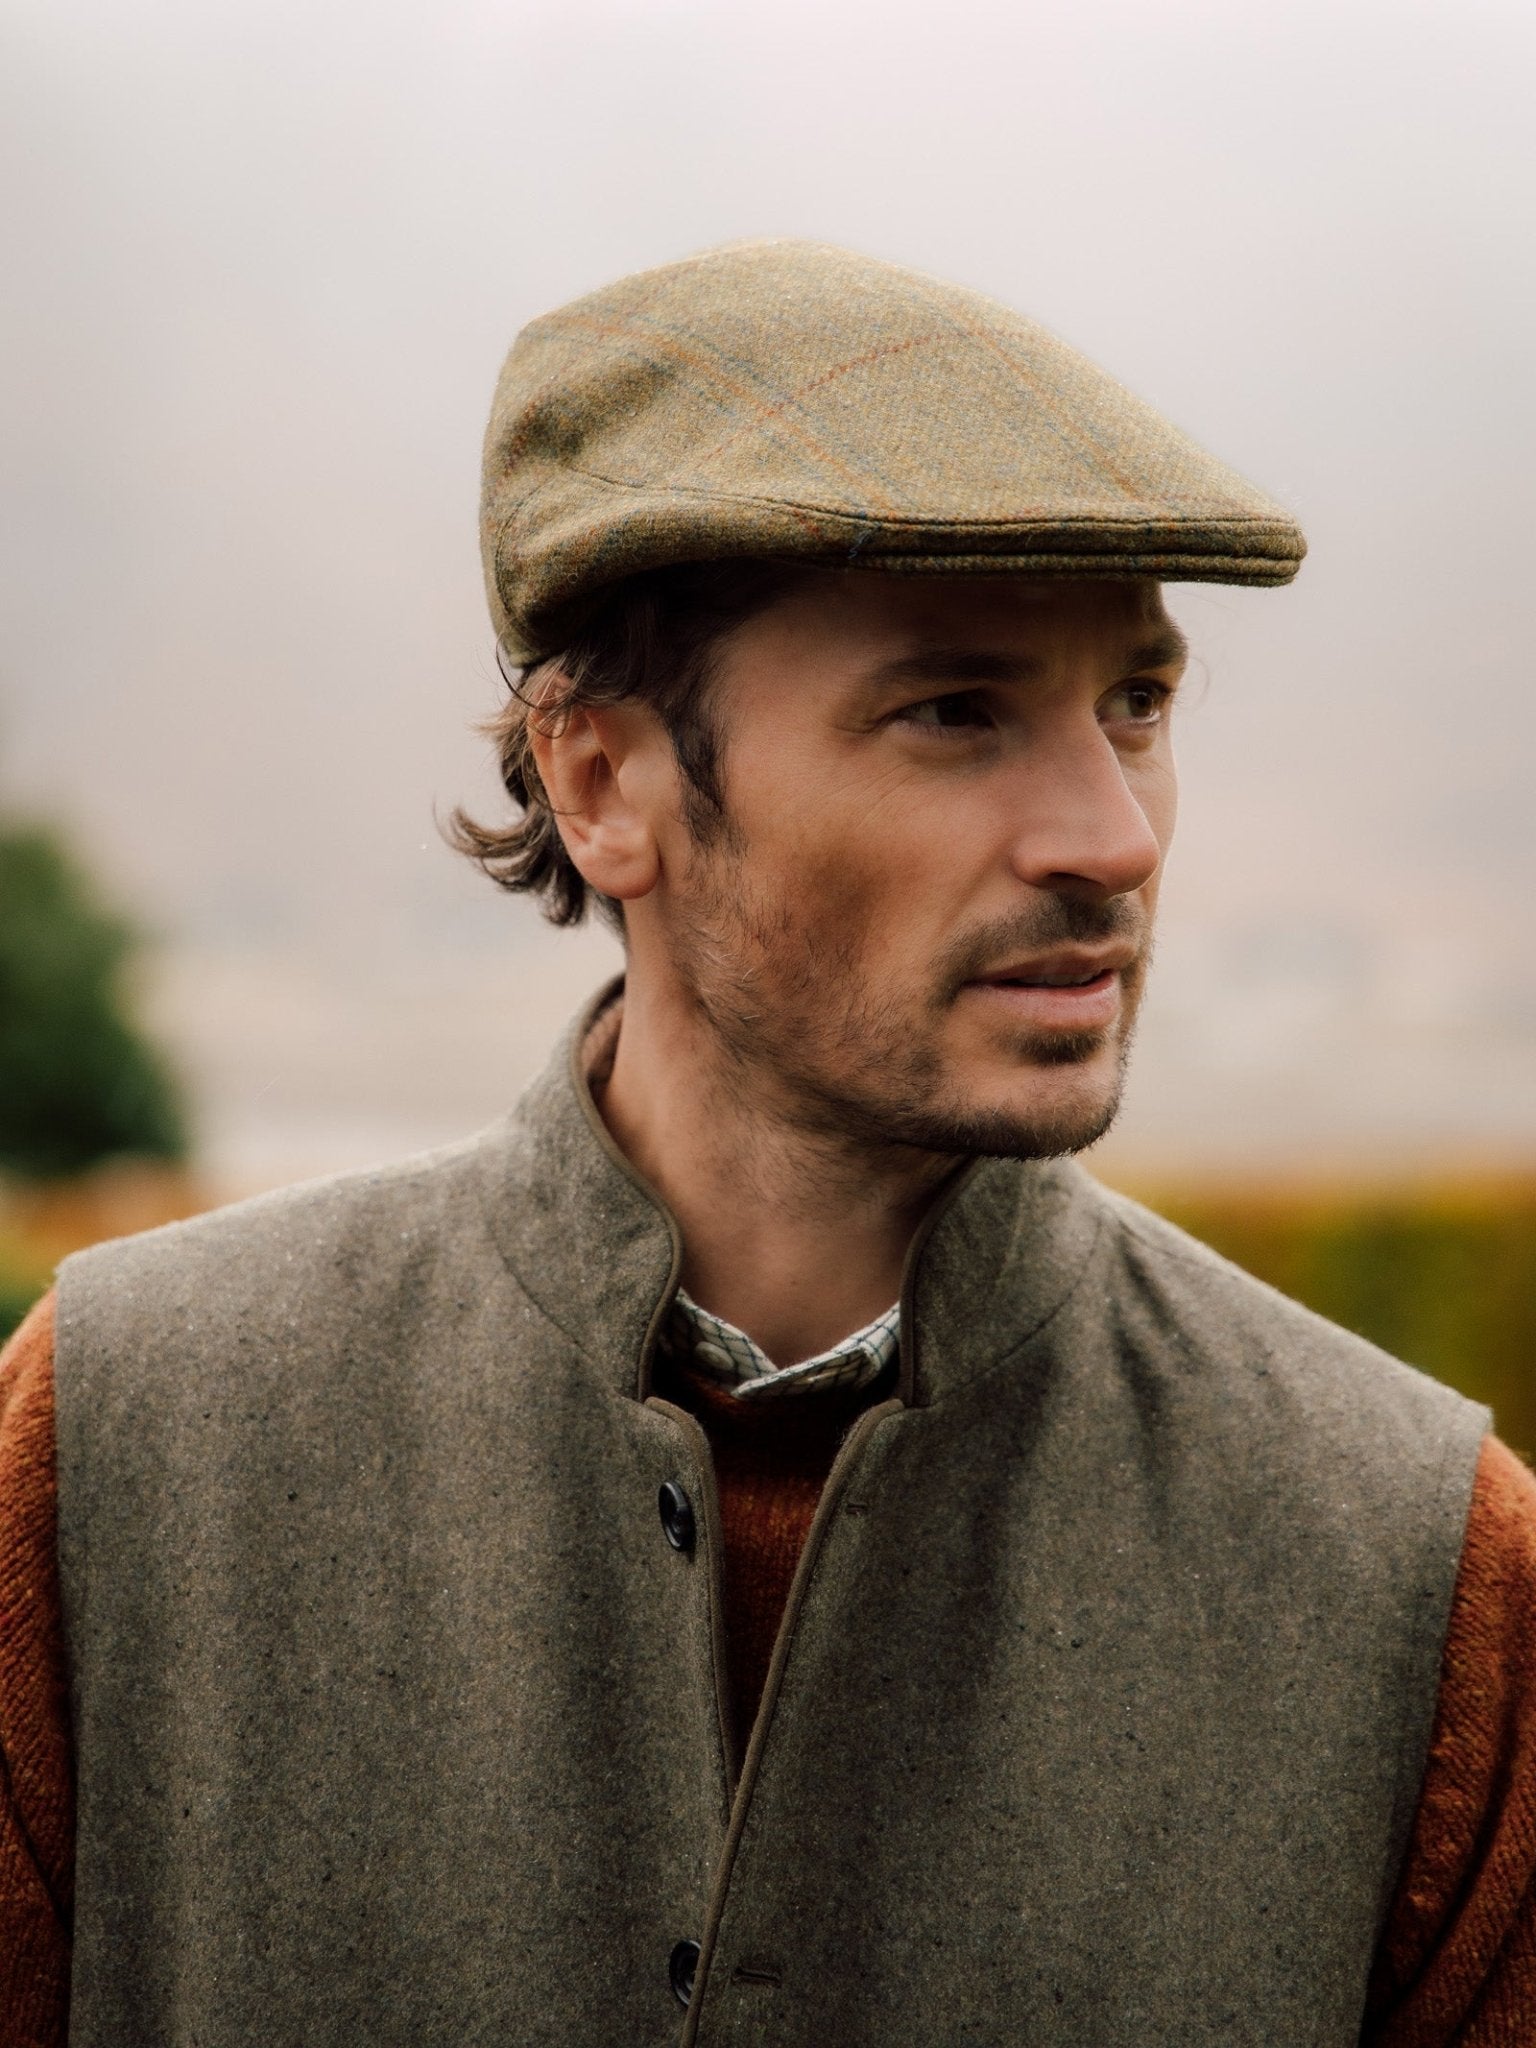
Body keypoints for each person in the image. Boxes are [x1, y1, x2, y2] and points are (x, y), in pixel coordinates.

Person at [2, 240, 1533, 2046]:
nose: (1112, 835)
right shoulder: (112, 1450)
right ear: (602, 785)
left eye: (1137, 702)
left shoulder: (1427, 1566)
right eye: (955, 711)